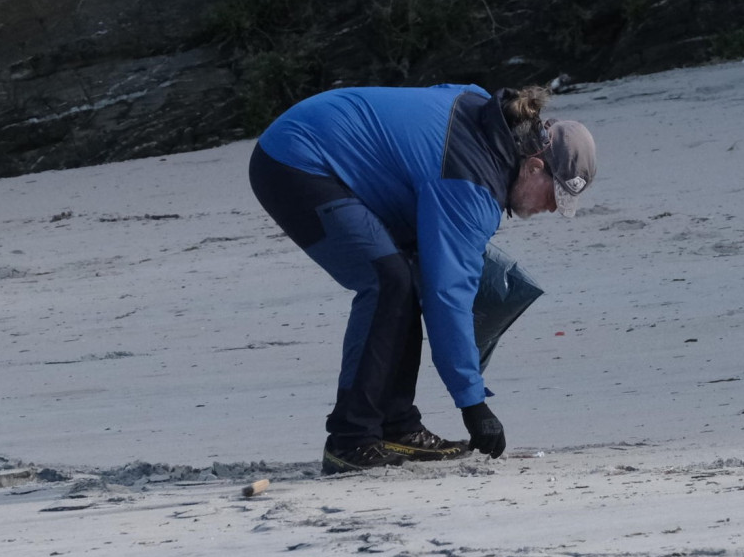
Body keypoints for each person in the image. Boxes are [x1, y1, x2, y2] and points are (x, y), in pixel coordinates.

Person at [248, 82, 596, 475]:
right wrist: (473, 403)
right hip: (294, 160)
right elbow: (447, 297)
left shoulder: (487, 122)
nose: (551, 208)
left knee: (405, 278)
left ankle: (397, 426)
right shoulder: (471, 181)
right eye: (555, 195)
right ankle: (350, 438)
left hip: (318, 144)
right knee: (387, 281)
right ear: (534, 166)